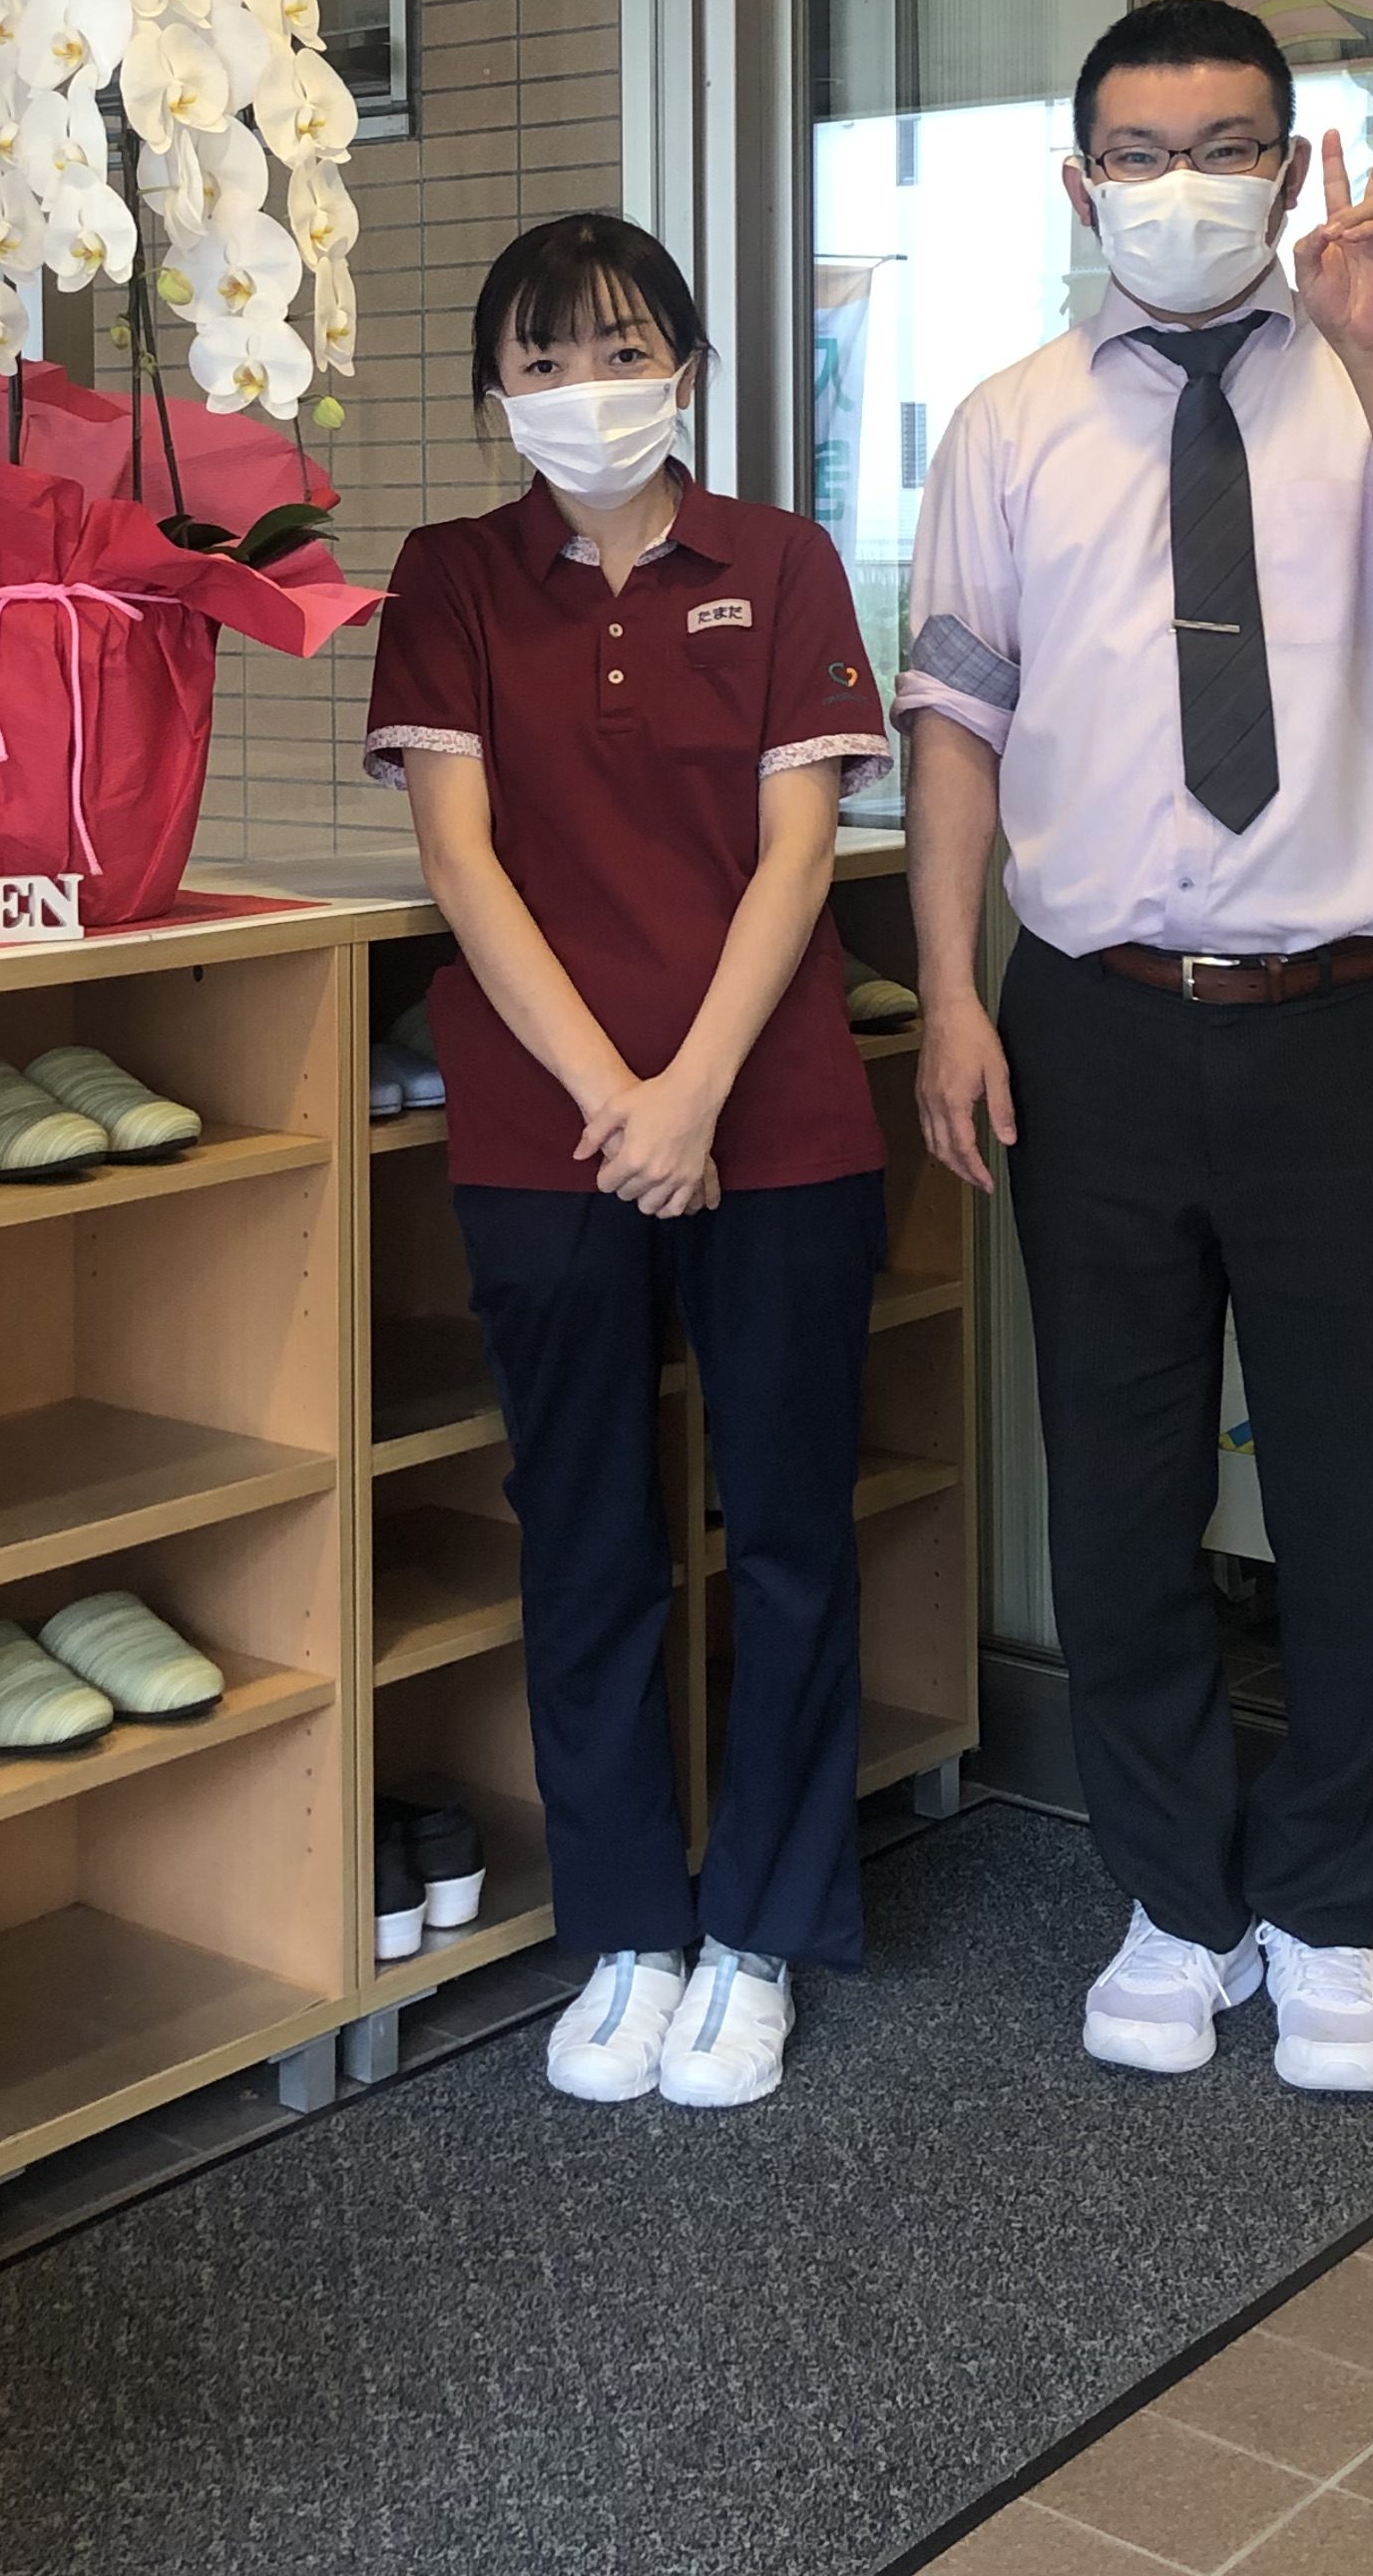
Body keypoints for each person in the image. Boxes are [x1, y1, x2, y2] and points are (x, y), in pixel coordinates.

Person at [901, 0, 1373, 2093]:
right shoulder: (1010, 423)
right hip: (1089, 1025)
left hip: (1346, 1029)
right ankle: (1175, 1895)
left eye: (1222, 147)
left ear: (1287, 170)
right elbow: (956, 721)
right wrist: (949, 994)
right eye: (1139, 150)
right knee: (1116, 1484)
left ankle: (1335, 1904)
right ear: (1077, 179)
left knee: (1364, 1483)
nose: (1178, 184)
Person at [364, 212, 892, 2110]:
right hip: (545, 1135)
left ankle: (760, 1932)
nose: (584, 391)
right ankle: (630, 1932)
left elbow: (800, 852)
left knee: (792, 1535)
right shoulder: (451, 577)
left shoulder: (783, 560)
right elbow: (460, 860)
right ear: (494, 391)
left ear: (683, 368)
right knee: (586, 1537)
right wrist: (619, 1099)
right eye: (542, 361)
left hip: (778, 1119)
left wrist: (693, 1095)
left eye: (619, 352)